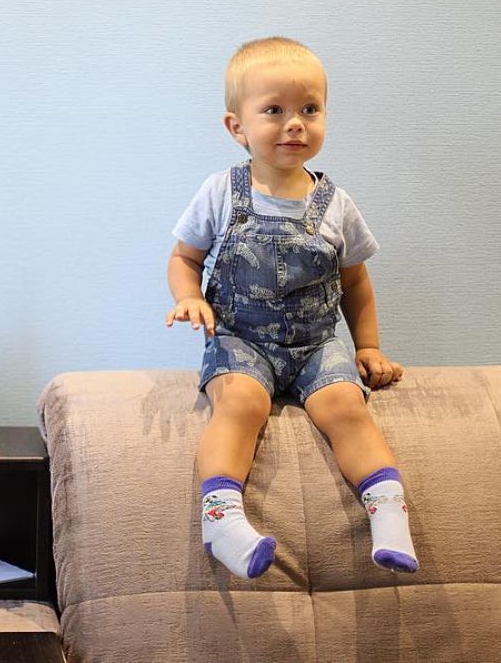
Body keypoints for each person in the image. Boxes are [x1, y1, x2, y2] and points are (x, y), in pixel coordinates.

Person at [165, 37, 417, 579]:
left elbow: (357, 284)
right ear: (237, 127)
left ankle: (389, 513)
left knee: (346, 406)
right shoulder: (221, 192)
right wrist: (187, 296)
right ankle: (222, 520)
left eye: (309, 109)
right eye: (274, 110)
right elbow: (185, 258)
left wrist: (368, 346)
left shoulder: (336, 204)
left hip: (316, 344)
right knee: (240, 404)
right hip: (239, 340)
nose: (295, 123)